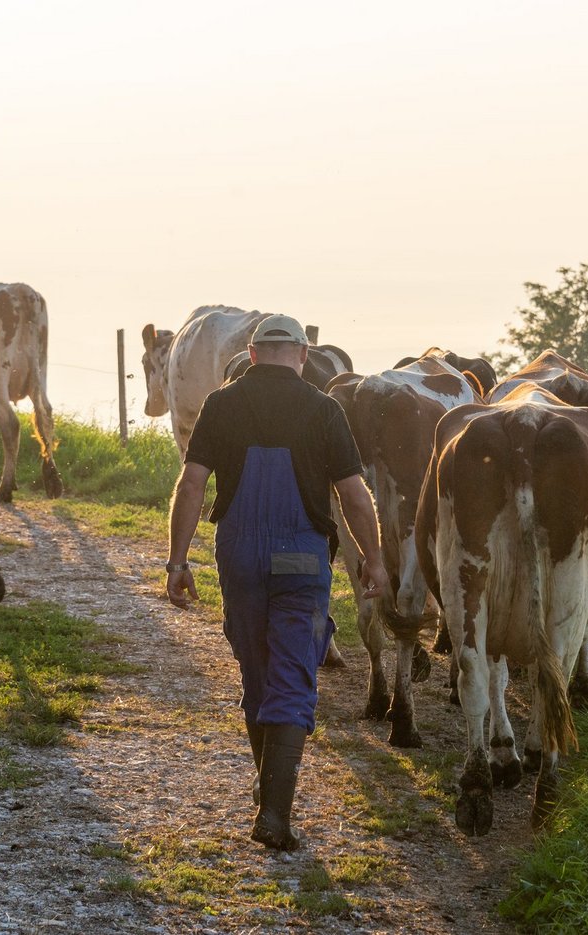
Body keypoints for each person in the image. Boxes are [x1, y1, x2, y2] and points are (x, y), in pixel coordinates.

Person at [163, 314, 390, 852]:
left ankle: (268, 796)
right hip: (302, 558)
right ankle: (274, 814)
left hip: (239, 554)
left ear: (253, 353)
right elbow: (354, 496)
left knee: (257, 673)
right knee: (292, 675)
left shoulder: (221, 404)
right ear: (303, 356)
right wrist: (374, 559)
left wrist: (177, 561)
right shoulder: (324, 409)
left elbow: (191, 484)